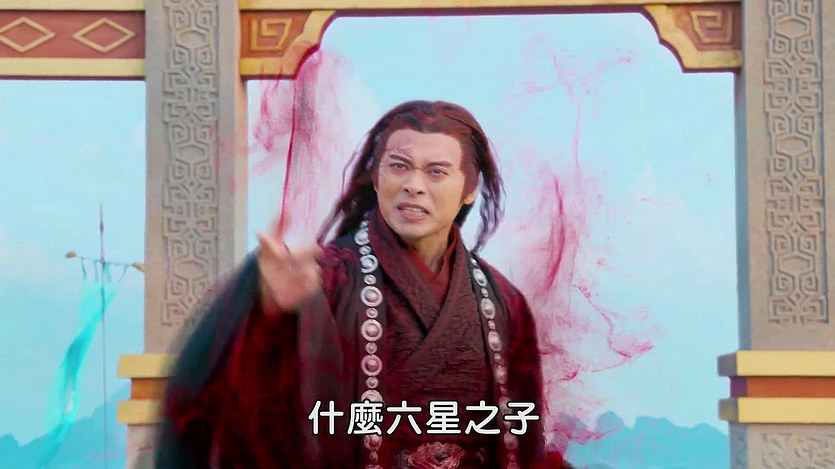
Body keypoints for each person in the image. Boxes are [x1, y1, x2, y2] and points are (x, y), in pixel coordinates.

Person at [155, 100, 571, 468]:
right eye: (399, 166)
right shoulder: (323, 279)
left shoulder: (503, 303)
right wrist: (264, 314)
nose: (414, 185)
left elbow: (524, 440)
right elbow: (239, 414)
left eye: (436, 172)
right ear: (376, 177)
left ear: (469, 189)